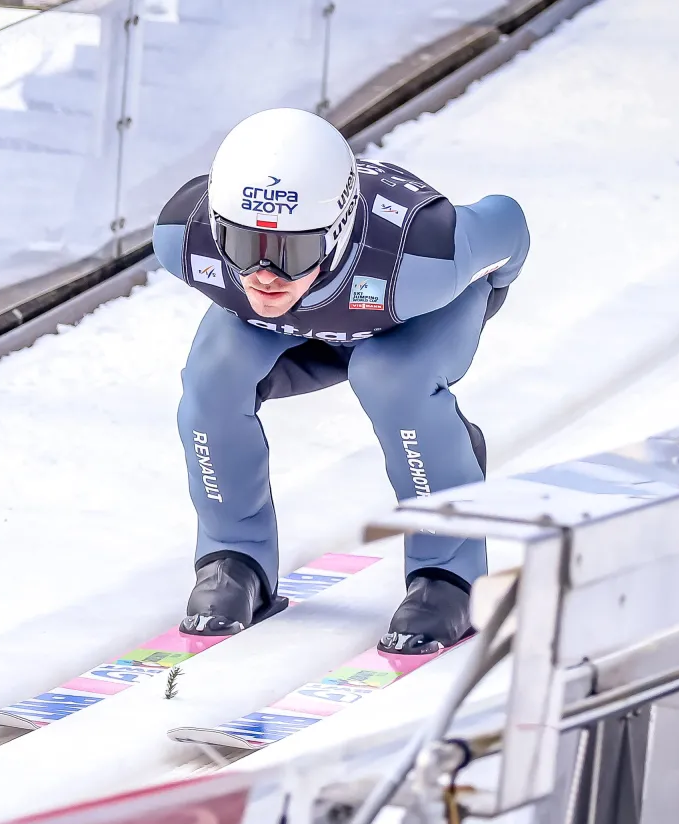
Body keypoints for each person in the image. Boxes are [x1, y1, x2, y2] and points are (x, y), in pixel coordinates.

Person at [152, 107, 530, 654]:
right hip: (302, 324)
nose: (264, 276)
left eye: (293, 251)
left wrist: (489, 295)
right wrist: (295, 279)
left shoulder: (423, 255)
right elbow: (260, 279)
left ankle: (449, 573)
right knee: (212, 380)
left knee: (391, 378)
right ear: (214, 227)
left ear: (337, 231)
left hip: (405, 315)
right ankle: (233, 558)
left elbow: (508, 223)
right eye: (241, 245)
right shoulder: (182, 235)